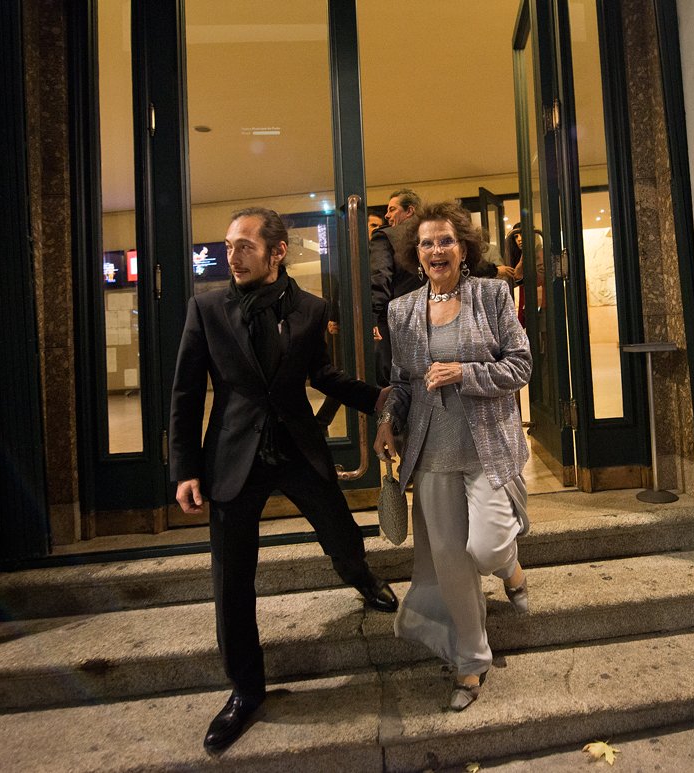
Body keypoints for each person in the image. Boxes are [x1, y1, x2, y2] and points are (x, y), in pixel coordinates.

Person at [169, 207, 399, 754]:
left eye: (245, 246)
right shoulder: (207, 309)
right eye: (228, 246)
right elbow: (185, 394)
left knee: (342, 535)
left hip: (296, 448)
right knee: (231, 580)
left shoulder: (311, 309)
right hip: (233, 456)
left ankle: (361, 577)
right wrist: (184, 469)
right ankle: (245, 691)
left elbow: (323, 375)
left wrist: (378, 399)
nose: (232, 256)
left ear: (277, 252)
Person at [373, 200, 532, 712]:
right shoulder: (402, 311)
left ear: (463, 248)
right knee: (450, 564)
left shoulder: (492, 295)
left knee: (486, 548)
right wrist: (386, 420)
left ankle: (510, 567)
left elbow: (521, 365)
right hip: (432, 453)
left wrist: (466, 372)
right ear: (415, 253)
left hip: (487, 448)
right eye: (426, 243)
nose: (436, 249)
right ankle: (470, 660)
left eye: (445, 240)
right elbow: (401, 381)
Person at [370, 189, 423, 386]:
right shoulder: (431, 236)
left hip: (395, 321)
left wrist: (372, 317)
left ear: (409, 211)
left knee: (393, 383)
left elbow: (380, 277)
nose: (386, 215)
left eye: (392, 209)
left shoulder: (384, 236)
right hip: (432, 317)